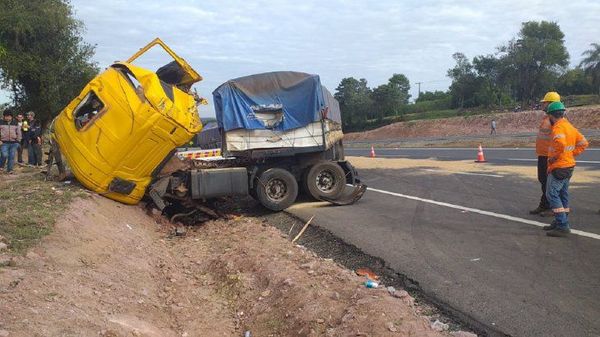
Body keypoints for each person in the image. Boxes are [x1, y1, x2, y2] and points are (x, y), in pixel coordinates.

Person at [543, 101, 588, 237]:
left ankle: (562, 225)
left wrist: (554, 158)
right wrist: (572, 153)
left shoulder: (558, 128)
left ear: (551, 115)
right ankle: (560, 220)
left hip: (559, 167)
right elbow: (583, 143)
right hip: (569, 165)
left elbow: (561, 144)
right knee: (563, 194)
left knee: (552, 194)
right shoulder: (569, 126)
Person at [530, 92, 561, 216]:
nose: (543, 104)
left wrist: (554, 156)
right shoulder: (547, 118)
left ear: (551, 103)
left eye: (545, 102)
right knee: (543, 180)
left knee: (549, 183)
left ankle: (550, 207)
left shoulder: (555, 120)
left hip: (549, 156)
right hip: (543, 155)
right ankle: (545, 204)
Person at [0, 109, 22, 174]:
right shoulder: (1, 122)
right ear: (4, 116)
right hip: (4, 142)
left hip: (14, 143)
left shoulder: (15, 123)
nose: (7, 117)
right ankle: (1, 166)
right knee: (4, 155)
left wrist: (18, 141)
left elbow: (19, 133)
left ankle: (10, 170)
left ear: (11, 116)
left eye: (9, 116)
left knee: (11, 156)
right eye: (6, 116)